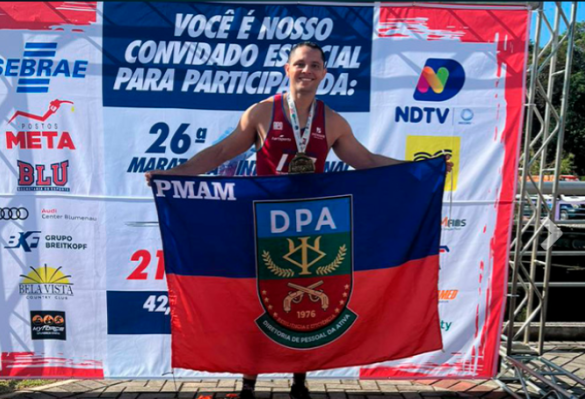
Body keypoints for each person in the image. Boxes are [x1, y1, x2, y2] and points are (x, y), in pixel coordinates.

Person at [146, 41, 453, 399]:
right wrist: (175, 173)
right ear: (287, 69)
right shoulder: (260, 113)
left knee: (307, 309)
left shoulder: (333, 120)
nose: (307, 70)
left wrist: (422, 169)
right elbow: (219, 153)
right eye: (300, 64)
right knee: (258, 300)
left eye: (314, 65)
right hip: (265, 224)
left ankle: (300, 379)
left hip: (315, 226)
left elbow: (366, 163)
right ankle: (249, 381)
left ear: (324, 73)